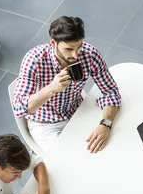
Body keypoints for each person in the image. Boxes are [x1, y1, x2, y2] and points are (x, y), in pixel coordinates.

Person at [12, 16, 121, 154]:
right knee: (69, 161)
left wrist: (106, 124)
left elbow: (111, 91)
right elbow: (19, 108)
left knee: (111, 147)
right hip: (45, 123)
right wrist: (52, 88)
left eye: (79, 47)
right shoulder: (34, 60)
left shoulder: (90, 55)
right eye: (68, 49)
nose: (75, 55)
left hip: (76, 111)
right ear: (53, 43)